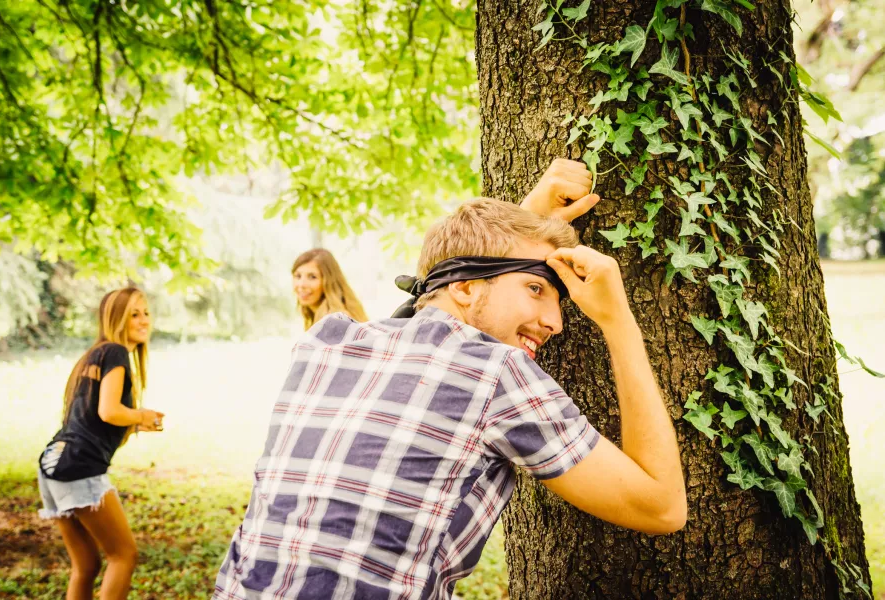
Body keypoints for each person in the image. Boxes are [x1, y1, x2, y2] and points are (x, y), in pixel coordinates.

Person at [214, 159, 686, 599]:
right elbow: (662, 508)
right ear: (462, 285)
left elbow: (434, 311)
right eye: (537, 289)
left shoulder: (326, 343)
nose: (556, 322)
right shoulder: (497, 373)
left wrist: (513, 232)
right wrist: (618, 320)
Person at [37, 287, 165, 600]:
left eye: (145, 312)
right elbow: (108, 411)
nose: (143, 320)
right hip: (79, 466)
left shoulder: (94, 354)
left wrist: (135, 422)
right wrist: (139, 413)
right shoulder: (116, 352)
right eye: (134, 314)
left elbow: (93, 420)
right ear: (115, 319)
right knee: (124, 555)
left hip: (53, 463)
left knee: (86, 564)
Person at [292, 248, 369, 329]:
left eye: (312, 277)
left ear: (329, 282)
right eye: (298, 276)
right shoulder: (321, 317)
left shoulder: (334, 321)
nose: (302, 284)